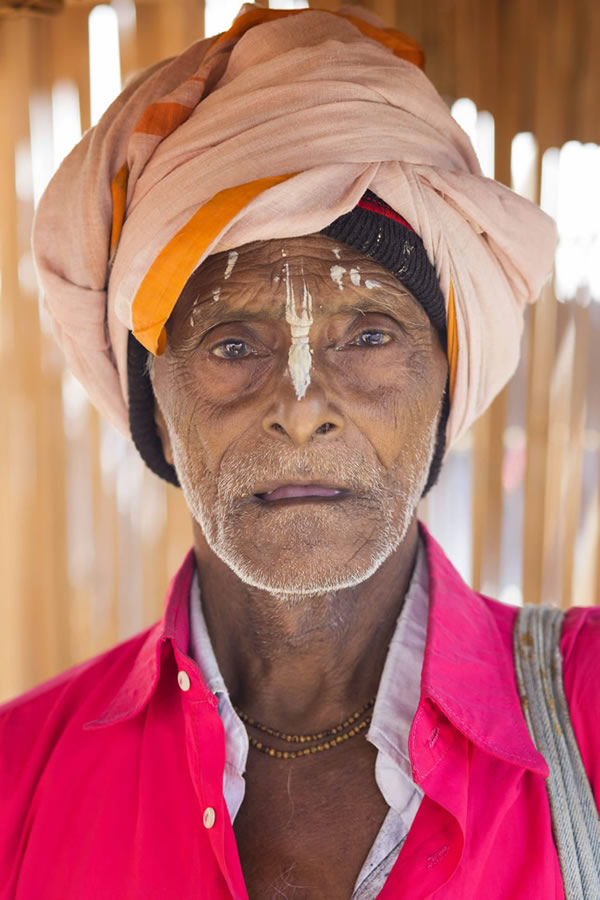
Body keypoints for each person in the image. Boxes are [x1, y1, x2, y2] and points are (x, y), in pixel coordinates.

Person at [1, 5, 597, 899]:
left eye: (369, 336)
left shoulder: (587, 717)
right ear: (154, 405)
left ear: (446, 382)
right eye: (234, 345)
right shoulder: (17, 781)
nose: (302, 408)